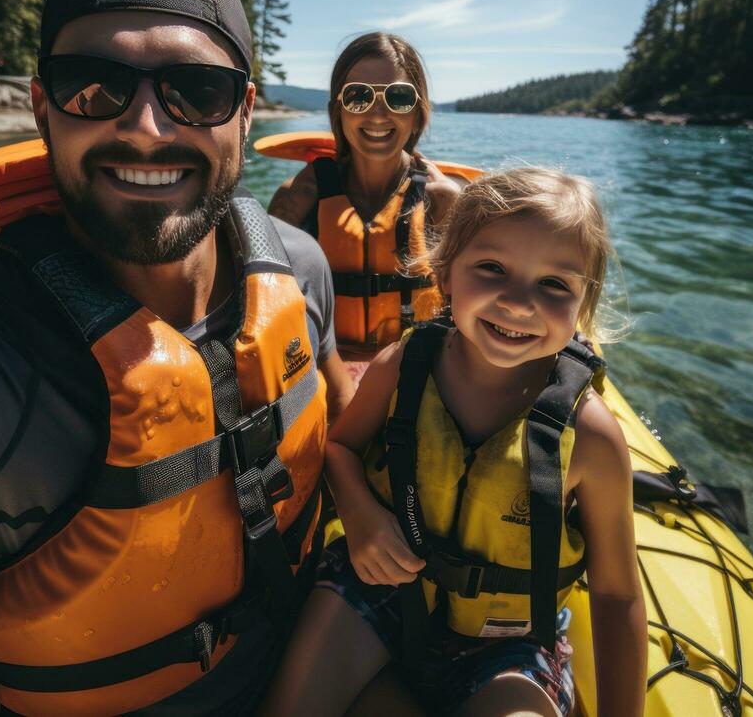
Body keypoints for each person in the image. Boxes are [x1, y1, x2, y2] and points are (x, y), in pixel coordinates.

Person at [0, 0, 354, 716]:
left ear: (245, 111)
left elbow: (342, 426)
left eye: (197, 90)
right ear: (43, 107)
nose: (148, 127)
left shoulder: (301, 268)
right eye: (94, 85)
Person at [262, 168, 648, 717]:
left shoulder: (592, 436)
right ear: (444, 275)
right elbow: (340, 449)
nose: (518, 303)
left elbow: (616, 595)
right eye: (491, 268)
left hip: (509, 643)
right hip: (378, 594)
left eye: (555, 284)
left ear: (584, 301)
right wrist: (362, 515)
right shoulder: (402, 366)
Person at [269, 33, 462, 381]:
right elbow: (263, 304)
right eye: (358, 97)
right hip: (324, 373)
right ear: (337, 111)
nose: (377, 114)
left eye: (398, 98)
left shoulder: (443, 199)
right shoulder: (298, 198)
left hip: (417, 374)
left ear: (418, 115)